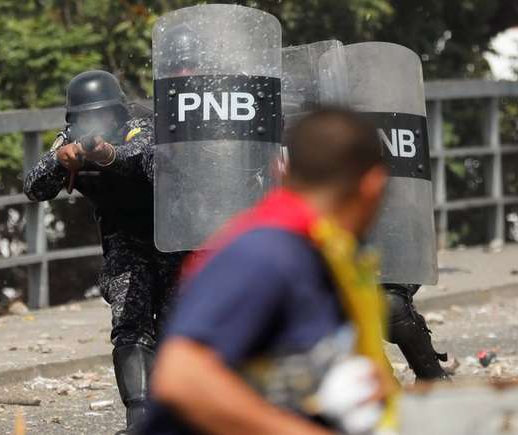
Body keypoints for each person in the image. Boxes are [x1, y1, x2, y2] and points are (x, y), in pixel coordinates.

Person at [144, 108, 397, 435]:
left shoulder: (326, 252)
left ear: (283, 171)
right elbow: (182, 378)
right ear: (373, 185)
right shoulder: (265, 254)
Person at [23, 70, 185, 433]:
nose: (97, 124)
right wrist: (61, 161)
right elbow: (34, 187)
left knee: (179, 330)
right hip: (125, 241)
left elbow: (148, 160)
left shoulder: (141, 127)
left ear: (119, 112)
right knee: (130, 328)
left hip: (175, 239)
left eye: (104, 115)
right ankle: (140, 421)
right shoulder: (69, 141)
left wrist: (106, 154)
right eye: (86, 118)